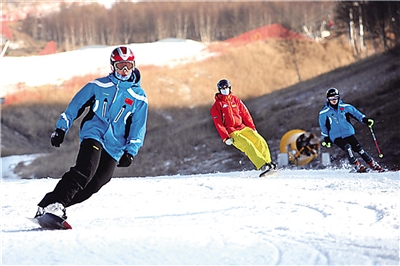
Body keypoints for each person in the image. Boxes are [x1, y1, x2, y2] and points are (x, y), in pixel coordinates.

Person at [34, 46, 148, 220]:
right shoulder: (98, 86)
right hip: (93, 133)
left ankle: (50, 205)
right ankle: (56, 204)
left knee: (95, 184)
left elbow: (138, 127)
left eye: (128, 66)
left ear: (133, 66)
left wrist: (130, 151)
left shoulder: (138, 97)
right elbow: (75, 106)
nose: (124, 71)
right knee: (85, 170)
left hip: (115, 145)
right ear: (112, 66)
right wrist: (61, 128)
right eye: (120, 66)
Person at [210, 79, 276, 177]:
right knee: (248, 145)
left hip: (242, 128)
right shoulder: (216, 106)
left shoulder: (235, 100)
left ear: (230, 88)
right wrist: (226, 137)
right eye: (223, 88)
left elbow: (245, 114)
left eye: (226, 88)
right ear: (219, 90)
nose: (225, 90)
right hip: (232, 132)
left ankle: (268, 163)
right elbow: (218, 123)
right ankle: (262, 165)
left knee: (260, 140)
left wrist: (252, 128)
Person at [318, 87, 382, 172]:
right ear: (328, 99)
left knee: (359, 149)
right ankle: (356, 165)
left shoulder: (345, 107)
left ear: (338, 97)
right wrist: (326, 138)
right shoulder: (324, 112)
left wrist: (365, 120)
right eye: (331, 99)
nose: (333, 100)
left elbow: (356, 114)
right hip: (335, 136)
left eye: (335, 98)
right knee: (347, 147)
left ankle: (372, 164)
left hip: (347, 132)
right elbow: (323, 126)